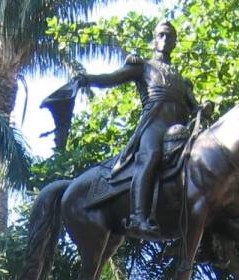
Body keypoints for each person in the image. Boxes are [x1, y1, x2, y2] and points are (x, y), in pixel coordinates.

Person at [72, 20, 202, 238]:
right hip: (154, 125)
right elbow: (112, 79)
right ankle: (138, 217)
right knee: (150, 156)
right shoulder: (143, 66)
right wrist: (87, 79)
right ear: (154, 40)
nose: (165, 40)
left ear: (175, 42)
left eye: (169, 36)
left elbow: (194, 106)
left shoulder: (182, 80)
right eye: (161, 35)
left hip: (180, 132)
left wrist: (203, 108)